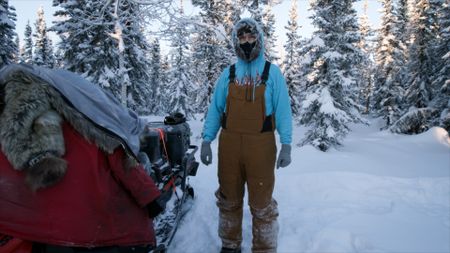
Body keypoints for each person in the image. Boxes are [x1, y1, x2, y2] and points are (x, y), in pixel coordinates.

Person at [0, 64, 164, 253]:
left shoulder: (9, 136)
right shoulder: (92, 127)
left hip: (25, 233)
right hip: (95, 232)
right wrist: (152, 200)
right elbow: (126, 166)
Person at [200, 18, 293, 253]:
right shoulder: (228, 73)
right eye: (241, 38)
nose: (246, 41)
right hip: (230, 145)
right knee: (229, 198)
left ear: (259, 39)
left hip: (261, 146)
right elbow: (215, 109)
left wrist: (286, 144)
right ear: (236, 41)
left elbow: (283, 111)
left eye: (251, 37)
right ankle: (230, 245)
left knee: (262, 203)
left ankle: (264, 248)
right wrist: (206, 140)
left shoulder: (272, 73)